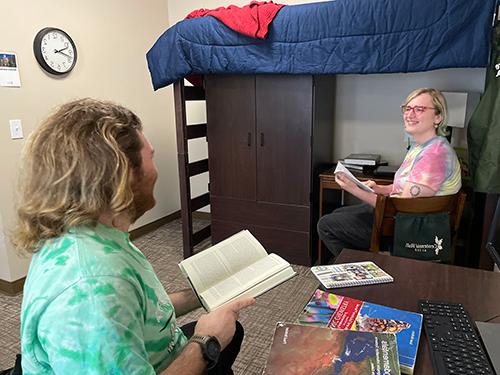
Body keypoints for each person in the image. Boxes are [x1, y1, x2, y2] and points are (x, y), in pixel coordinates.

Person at [12, 98, 255, 374]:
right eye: (150, 158)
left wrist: (202, 293)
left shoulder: (95, 234)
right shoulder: (93, 291)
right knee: (222, 340)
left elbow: (144, 312)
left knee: (232, 332)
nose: (156, 172)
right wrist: (205, 342)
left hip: (158, 349)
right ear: (122, 175)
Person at [317, 88, 462, 259]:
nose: (410, 114)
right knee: (338, 215)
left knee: (326, 225)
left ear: (438, 117)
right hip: (402, 218)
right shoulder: (421, 146)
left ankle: (372, 266)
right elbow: (405, 187)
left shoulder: (435, 154)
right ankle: (366, 265)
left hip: (409, 229)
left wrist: (354, 190)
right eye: (407, 109)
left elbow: (402, 207)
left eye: (419, 109)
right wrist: (379, 188)